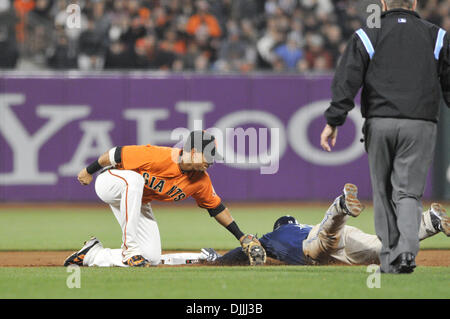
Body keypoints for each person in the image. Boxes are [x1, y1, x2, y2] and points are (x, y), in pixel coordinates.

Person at [319, 0, 450, 273]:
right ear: (414, 3)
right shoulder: (436, 35)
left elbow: (347, 78)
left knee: (383, 193)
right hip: (420, 123)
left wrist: (334, 120)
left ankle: (391, 258)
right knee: (408, 193)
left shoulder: (369, 33)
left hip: (380, 122)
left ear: (383, 4)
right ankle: (406, 254)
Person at [64, 130, 264, 267]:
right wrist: (89, 171)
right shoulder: (158, 156)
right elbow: (114, 154)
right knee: (133, 181)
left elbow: (216, 208)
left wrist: (241, 236)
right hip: (111, 182)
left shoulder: (200, 180)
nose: (211, 162)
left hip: (136, 200)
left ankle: (92, 254)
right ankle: (130, 249)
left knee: (151, 257)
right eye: (208, 156)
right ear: (194, 152)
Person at [199, 184, 450, 268]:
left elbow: (248, 249)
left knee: (326, 236)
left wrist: (220, 260)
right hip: (345, 242)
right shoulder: (296, 227)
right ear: (293, 221)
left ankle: (340, 206)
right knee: (384, 248)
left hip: (317, 244)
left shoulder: (272, 236)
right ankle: (429, 222)